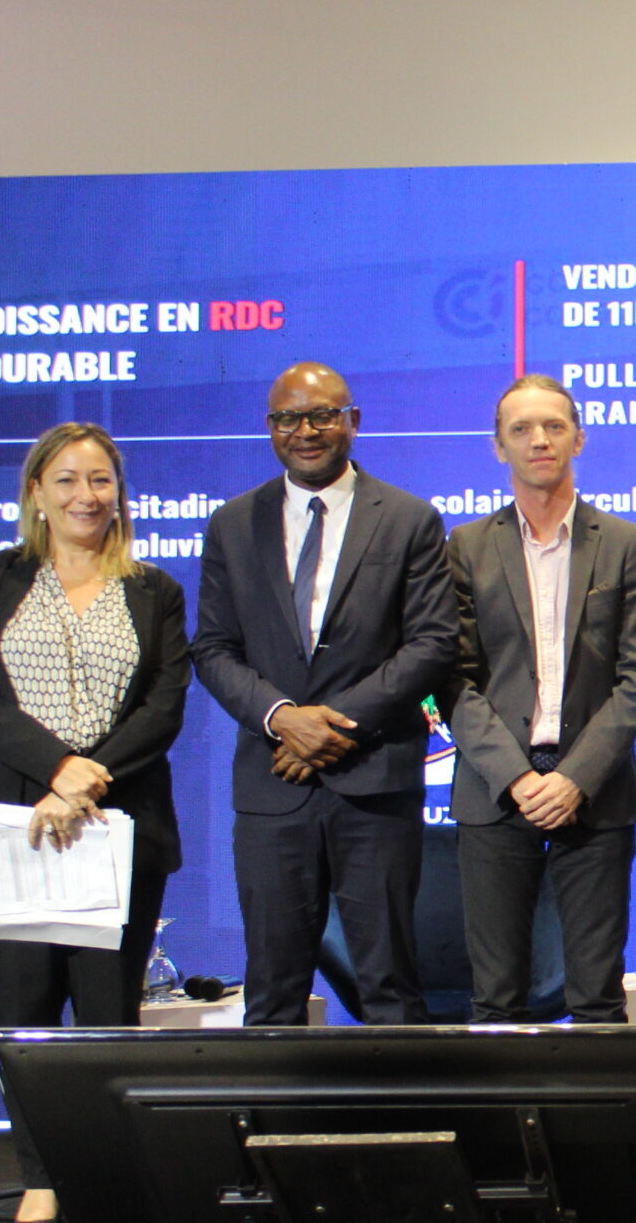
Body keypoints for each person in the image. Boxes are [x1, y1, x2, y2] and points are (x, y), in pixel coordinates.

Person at [0, 424, 190, 1223]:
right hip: (14, 822)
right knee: (26, 1016)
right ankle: (42, 1176)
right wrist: (57, 769)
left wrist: (88, 776)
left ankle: (116, 1176)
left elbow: (163, 705)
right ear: (37, 493)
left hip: (116, 821)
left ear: (120, 493)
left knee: (108, 1013)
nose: (87, 495)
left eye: (101, 479)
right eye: (67, 479)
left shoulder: (154, 589)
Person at [193, 361, 459, 1026]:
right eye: (288, 418)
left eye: (322, 415)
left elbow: (431, 644)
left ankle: (403, 1099)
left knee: (389, 986)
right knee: (273, 990)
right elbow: (213, 649)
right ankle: (277, 1101)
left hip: (374, 781)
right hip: (272, 786)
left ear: (353, 422)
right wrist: (283, 718)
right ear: (270, 427)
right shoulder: (233, 523)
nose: (305, 431)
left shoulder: (408, 519)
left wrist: (330, 725)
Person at [444, 374, 636, 1029]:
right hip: (494, 791)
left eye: (554, 426)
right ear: (498, 447)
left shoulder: (625, 543)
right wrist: (515, 778)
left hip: (594, 793)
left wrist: (574, 778)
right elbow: (453, 679)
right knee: (496, 999)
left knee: (598, 1000)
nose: (539, 440)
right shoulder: (466, 546)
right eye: (522, 429)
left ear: (578, 439)